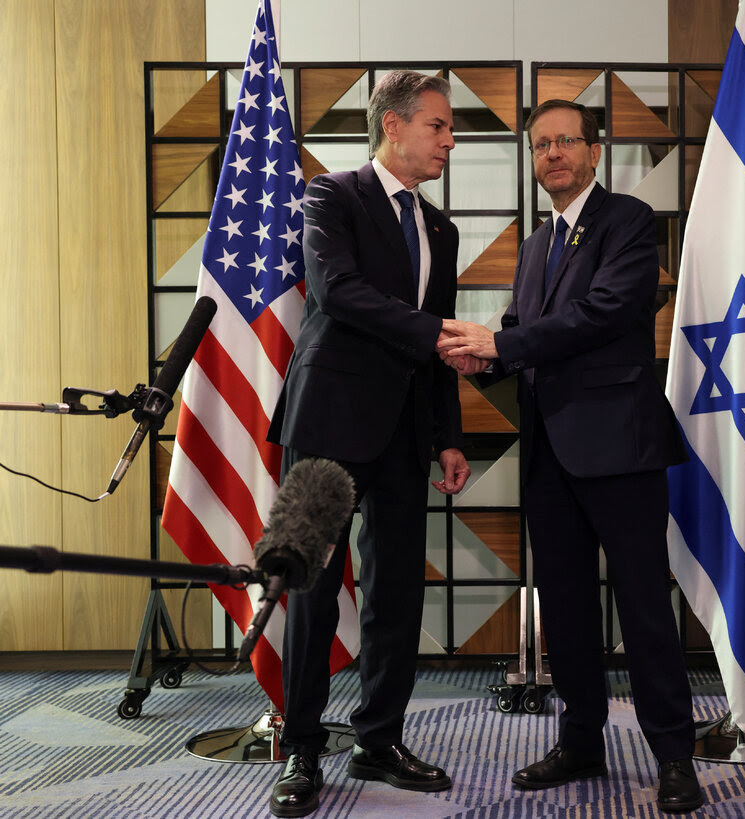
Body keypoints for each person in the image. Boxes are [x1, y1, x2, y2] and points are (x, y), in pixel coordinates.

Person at [437, 99, 704, 813]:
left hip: (620, 446)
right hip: (550, 454)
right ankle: (581, 738)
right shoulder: (536, 243)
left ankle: (675, 754)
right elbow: (526, 331)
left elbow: (607, 313)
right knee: (566, 608)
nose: (553, 154)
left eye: (566, 142)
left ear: (594, 149)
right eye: (542, 144)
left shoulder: (628, 222)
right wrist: (475, 355)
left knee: (645, 605)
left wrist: (503, 343)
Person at [266, 70, 470, 818]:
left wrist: (448, 435)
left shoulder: (441, 229)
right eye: (439, 126)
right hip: (326, 420)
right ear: (393, 124)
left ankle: (378, 738)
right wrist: (437, 333)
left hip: (404, 431)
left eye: (448, 130)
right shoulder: (332, 195)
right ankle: (300, 749)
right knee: (313, 593)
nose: (449, 141)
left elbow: (436, 349)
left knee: (394, 595)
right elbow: (336, 289)